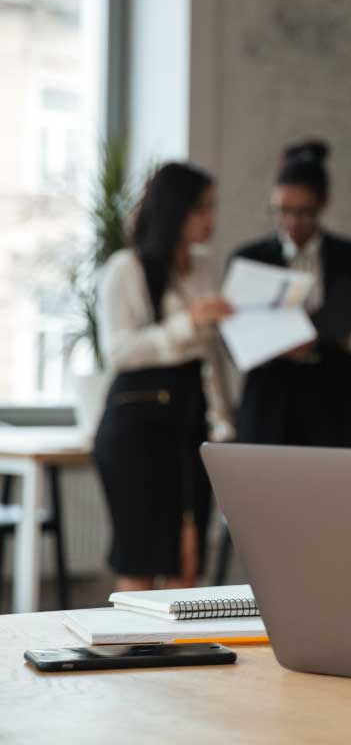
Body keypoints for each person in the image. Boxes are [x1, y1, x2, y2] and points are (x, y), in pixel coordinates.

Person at [93, 162, 234, 592]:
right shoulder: (126, 268)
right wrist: (187, 324)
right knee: (141, 562)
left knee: (187, 562)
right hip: (137, 427)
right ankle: (131, 640)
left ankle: (178, 643)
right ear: (176, 209)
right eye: (202, 208)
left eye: (212, 207)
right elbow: (119, 352)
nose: (211, 219)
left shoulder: (203, 267)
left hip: (189, 423)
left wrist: (224, 420)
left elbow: (211, 357)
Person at [232, 140, 351, 449]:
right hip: (268, 407)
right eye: (281, 211)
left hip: (333, 404)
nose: (291, 222)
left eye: (303, 212)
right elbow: (233, 340)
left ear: (323, 203)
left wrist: (349, 339)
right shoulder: (250, 259)